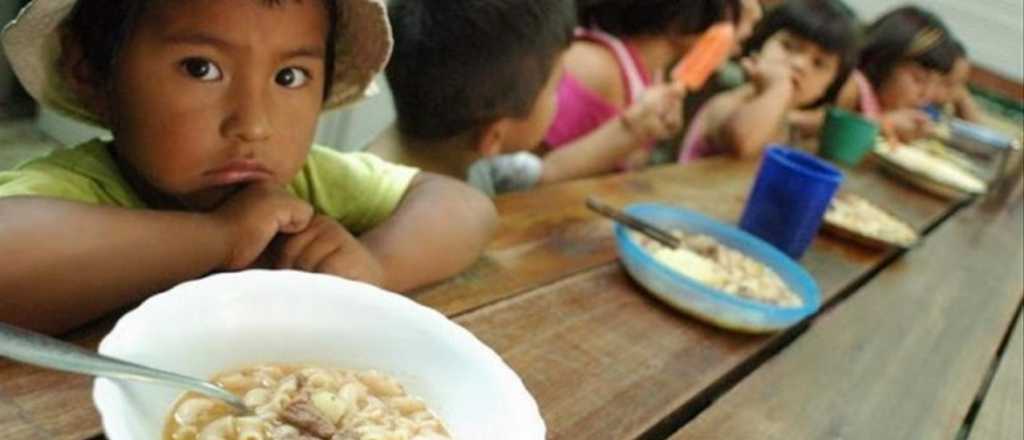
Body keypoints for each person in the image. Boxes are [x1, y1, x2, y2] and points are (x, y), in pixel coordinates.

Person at [0, 0, 497, 334]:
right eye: (201, 68)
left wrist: (378, 267)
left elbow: (463, 205)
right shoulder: (72, 191)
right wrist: (217, 237)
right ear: (88, 70)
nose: (254, 125)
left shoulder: (307, 182)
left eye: (290, 75)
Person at [367, 0, 576, 197]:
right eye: (555, 88)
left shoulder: (458, 155)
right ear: (493, 138)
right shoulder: (408, 223)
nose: (558, 98)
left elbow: (538, 173)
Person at [535, 0, 744, 183]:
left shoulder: (653, 77)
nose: (738, 42)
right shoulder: (594, 67)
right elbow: (525, 173)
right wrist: (632, 132)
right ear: (681, 20)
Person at [679, 0, 859, 161]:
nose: (799, 64)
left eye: (819, 63)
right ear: (759, 46)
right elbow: (742, 143)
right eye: (788, 46)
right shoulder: (727, 104)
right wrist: (779, 86)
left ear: (828, 87)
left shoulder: (785, 123)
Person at [834, 5, 960, 143]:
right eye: (918, 79)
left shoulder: (882, 104)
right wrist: (881, 125)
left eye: (935, 83)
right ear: (883, 62)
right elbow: (823, 133)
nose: (927, 94)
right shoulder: (853, 85)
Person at [927, 40, 984, 123]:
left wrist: (962, 97)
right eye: (948, 84)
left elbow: (975, 129)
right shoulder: (921, 108)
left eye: (961, 83)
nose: (955, 91)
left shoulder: (936, 110)